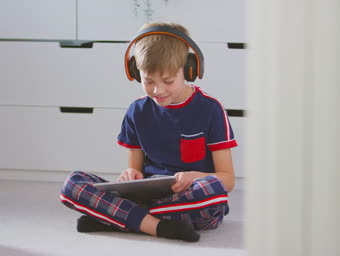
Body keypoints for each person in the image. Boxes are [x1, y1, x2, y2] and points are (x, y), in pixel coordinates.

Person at [60, 21, 238, 242]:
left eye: (168, 81)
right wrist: (130, 176)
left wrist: (193, 177)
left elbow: (228, 180)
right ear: (136, 73)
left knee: (211, 189)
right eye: (148, 81)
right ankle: (158, 227)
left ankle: (120, 218)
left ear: (190, 69)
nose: (157, 90)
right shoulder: (137, 111)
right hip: (148, 200)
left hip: (193, 202)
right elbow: (135, 173)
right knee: (72, 184)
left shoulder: (211, 109)